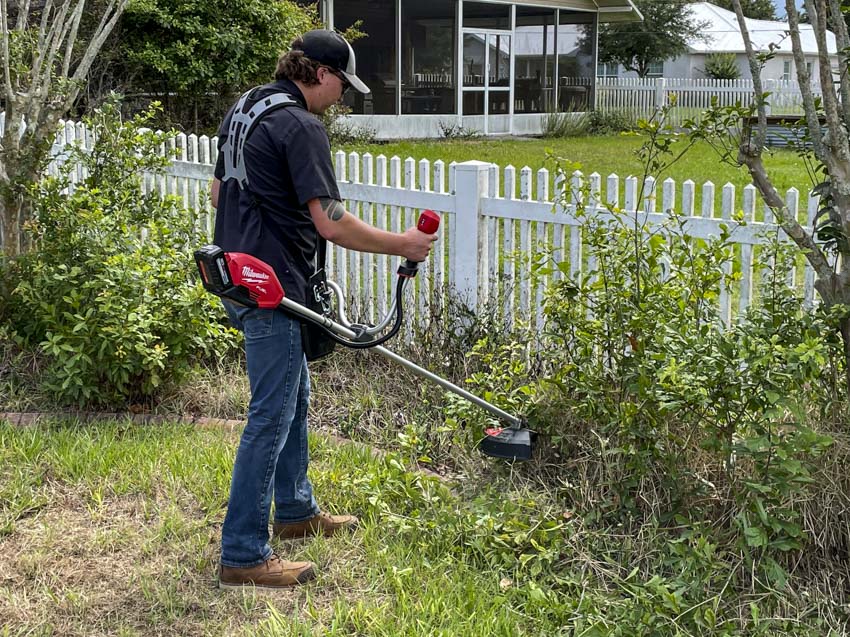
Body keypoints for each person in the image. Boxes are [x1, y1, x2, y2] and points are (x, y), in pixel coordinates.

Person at [209, 30, 436, 590]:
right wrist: (403, 244)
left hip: (238, 275)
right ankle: (242, 553)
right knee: (271, 415)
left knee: (294, 397)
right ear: (318, 73)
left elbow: (219, 196)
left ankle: (295, 512)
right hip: (273, 285)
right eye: (342, 85)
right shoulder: (301, 126)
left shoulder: (247, 108)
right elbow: (330, 221)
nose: (342, 98)